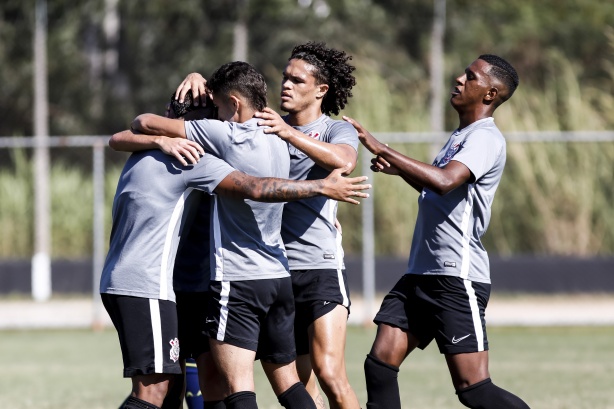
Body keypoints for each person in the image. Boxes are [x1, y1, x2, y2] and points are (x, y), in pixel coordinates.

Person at [103, 65, 370, 409]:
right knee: (284, 384)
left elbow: (135, 126)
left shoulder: (205, 148)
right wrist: (319, 191)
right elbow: (123, 136)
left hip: (226, 280)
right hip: (269, 275)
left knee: (220, 387)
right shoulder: (273, 136)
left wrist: (320, 191)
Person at [175, 41, 361, 409]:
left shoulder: (334, 130)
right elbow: (236, 98)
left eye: (296, 80)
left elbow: (344, 161)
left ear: (321, 90)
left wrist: (289, 133)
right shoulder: (263, 124)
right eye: (284, 77)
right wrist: (203, 81)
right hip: (277, 268)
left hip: (319, 265)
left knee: (329, 371)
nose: (286, 85)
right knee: (299, 383)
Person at [342, 55, 530, 408]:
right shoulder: (461, 136)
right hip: (421, 274)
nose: (458, 79)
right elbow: (441, 194)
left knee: (473, 389)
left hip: (455, 278)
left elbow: (445, 181)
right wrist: (402, 171)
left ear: (490, 94)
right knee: (380, 364)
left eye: (470, 76)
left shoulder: (485, 138)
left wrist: (383, 148)